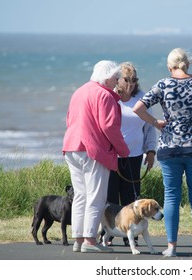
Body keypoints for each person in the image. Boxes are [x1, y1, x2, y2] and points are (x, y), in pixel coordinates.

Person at [133, 48, 192, 258]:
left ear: (169, 66)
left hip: (170, 147)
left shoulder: (163, 84)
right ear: (188, 64)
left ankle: (171, 247)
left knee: (171, 197)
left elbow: (137, 108)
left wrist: (156, 123)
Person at [62, 60, 130, 253]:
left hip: (72, 147)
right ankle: (90, 241)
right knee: (96, 197)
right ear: (108, 77)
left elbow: (69, 119)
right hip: (93, 150)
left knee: (81, 196)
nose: (117, 81)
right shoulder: (104, 95)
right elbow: (109, 126)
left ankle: (79, 239)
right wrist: (123, 150)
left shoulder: (79, 91)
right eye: (116, 77)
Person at [106, 62, 157, 246]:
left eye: (134, 80)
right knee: (111, 197)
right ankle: (110, 234)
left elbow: (150, 127)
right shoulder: (111, 97)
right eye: (126, 80)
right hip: (112, 155)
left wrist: (151, 150)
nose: (130, 84)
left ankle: (131, 236)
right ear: (118, 80)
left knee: (131, 197)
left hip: (134, 155)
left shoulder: (142, 98)